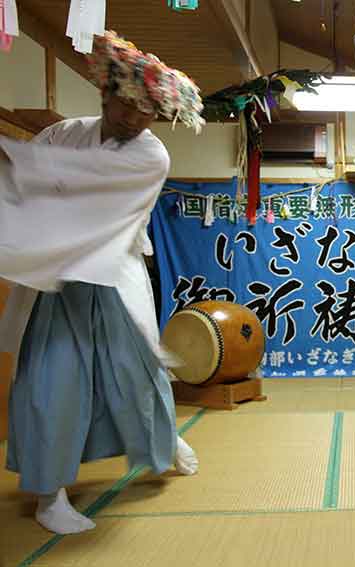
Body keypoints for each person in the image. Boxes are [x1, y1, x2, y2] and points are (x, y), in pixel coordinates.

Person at [0, 31, 204, 535]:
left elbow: (82, 197)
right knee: (53, 379)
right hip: (58, 277)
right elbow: (28, 188)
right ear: (105, 93)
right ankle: (50, 493)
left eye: (148, 112)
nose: (134, 119)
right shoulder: (61, 135)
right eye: (127, 104)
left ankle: (161, 443)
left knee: (139, 373)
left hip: (111, 271)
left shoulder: (151, 157)